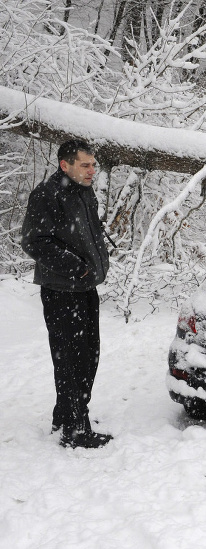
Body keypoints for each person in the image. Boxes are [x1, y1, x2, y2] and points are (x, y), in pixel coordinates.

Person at [21, 140, 113, 449]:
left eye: (93, 165)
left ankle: (66, 415)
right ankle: (75, 430)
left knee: (88, 356)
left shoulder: (83, 192)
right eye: (85, 165)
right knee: (74, 361)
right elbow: (35, 242)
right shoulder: (47, 195)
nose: (92, 170)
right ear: (65, 165)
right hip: (63, 291)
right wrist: (78, 268)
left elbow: (88, 233)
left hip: (85, 288)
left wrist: (98, 260)